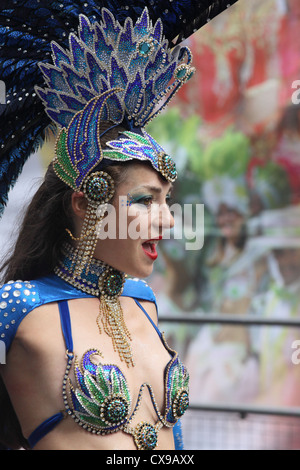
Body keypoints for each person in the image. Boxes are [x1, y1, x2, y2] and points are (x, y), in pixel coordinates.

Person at [0, 0, 238, 451]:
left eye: (168, 201)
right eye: (146, 201)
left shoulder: (144, 299)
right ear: (85, 204)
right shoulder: (17, 307)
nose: (167, 220)